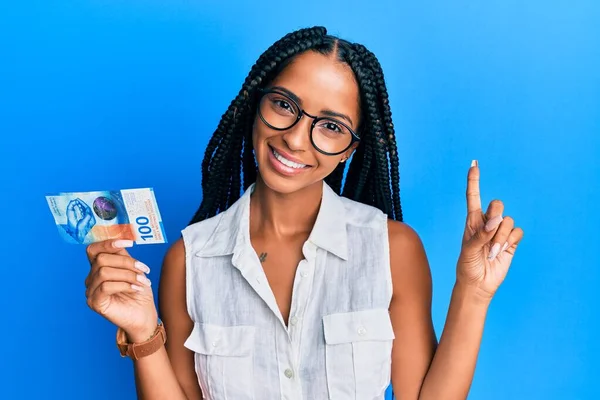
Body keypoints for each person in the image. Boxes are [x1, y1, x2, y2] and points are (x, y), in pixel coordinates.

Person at [83, 26, 524, 399]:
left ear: (351, 149)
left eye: (331, 127)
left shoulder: (392, 249)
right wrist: (143, 333)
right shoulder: (189, 260)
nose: (296, 139)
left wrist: (473, 293)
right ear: (256, 103)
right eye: (284, 105)